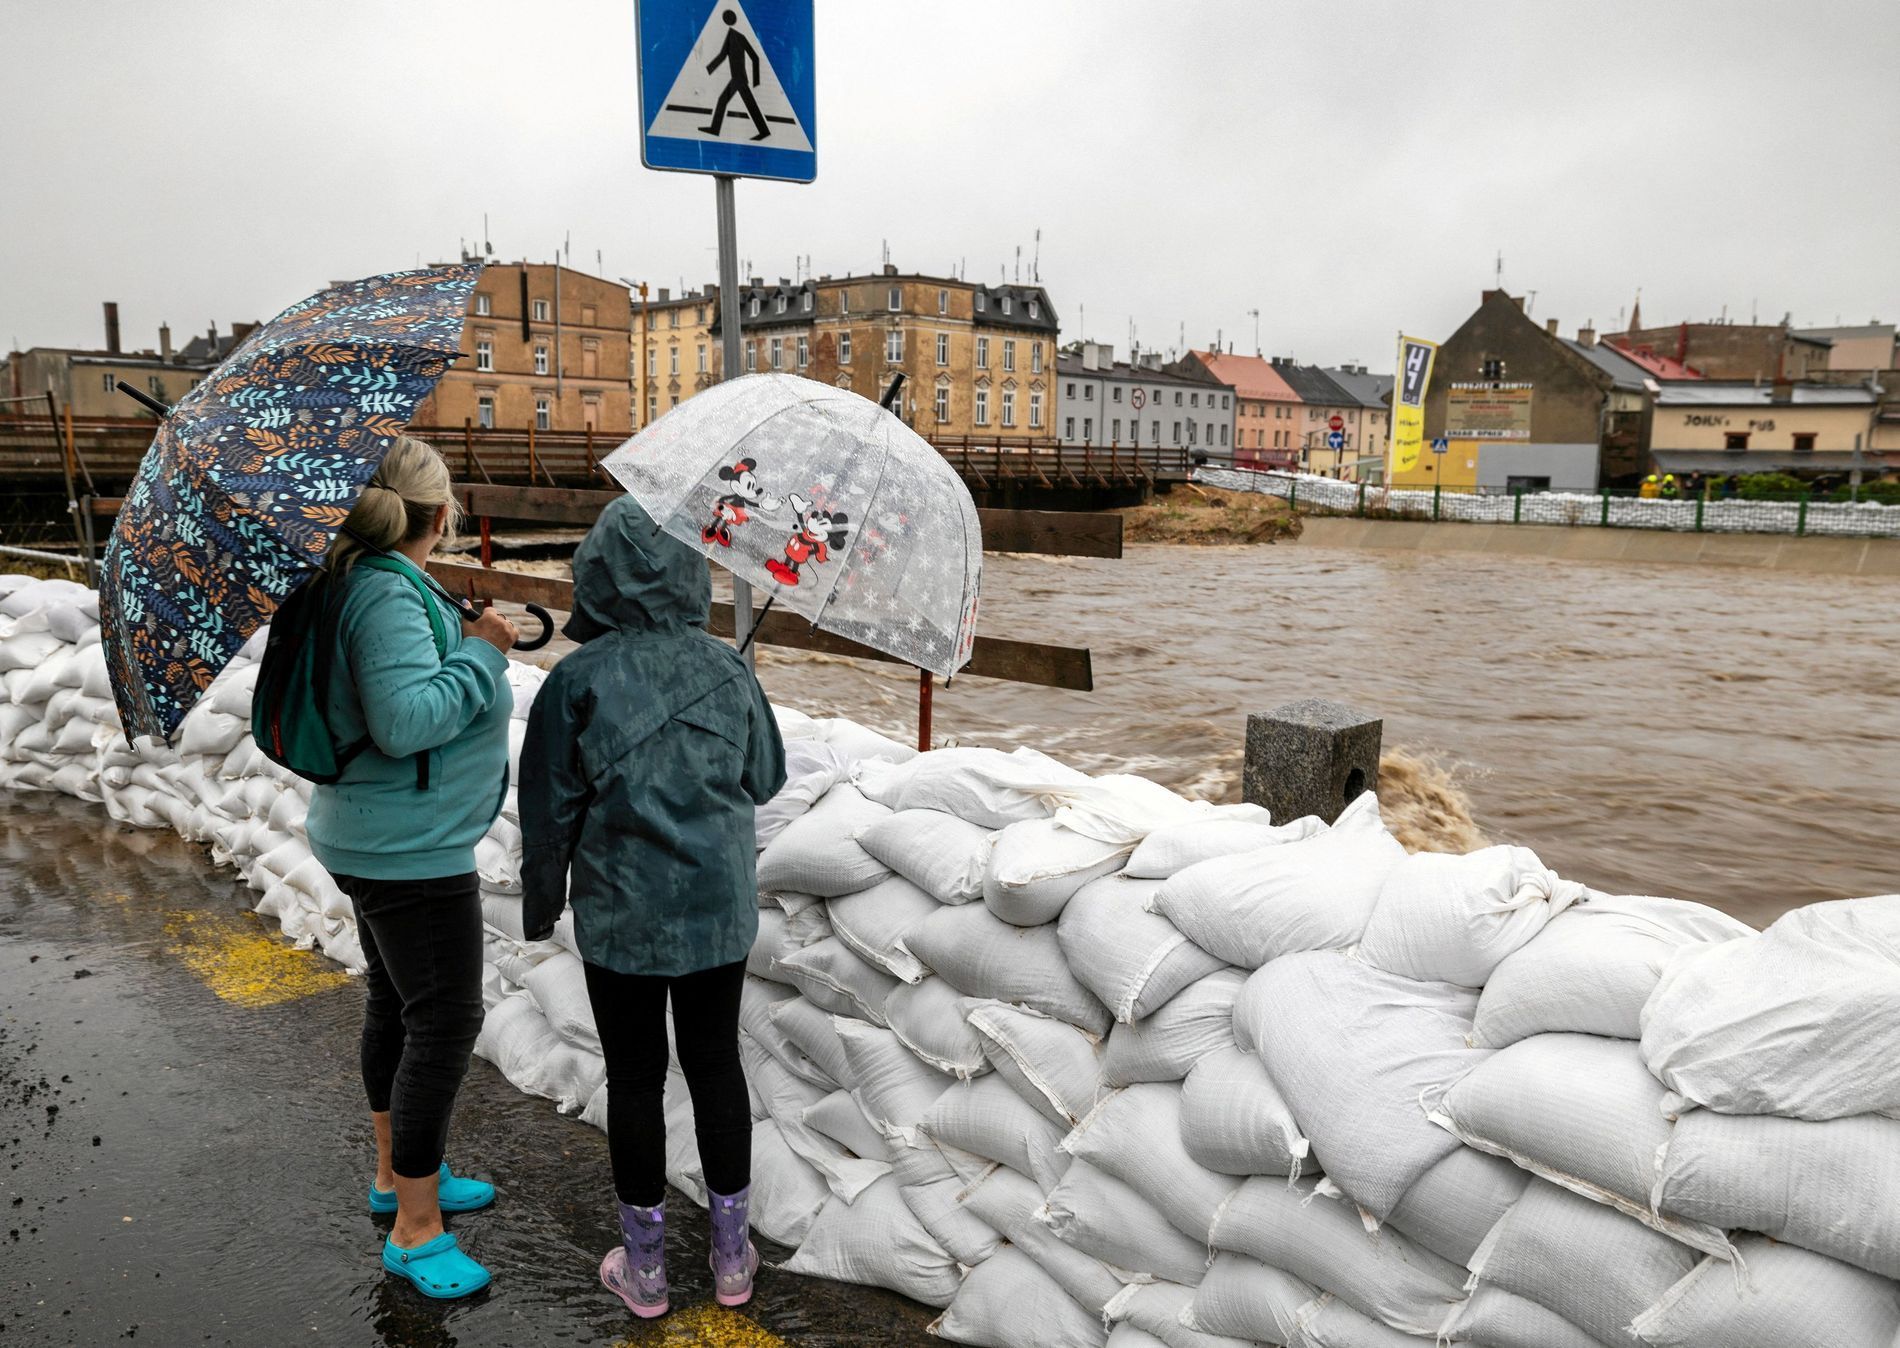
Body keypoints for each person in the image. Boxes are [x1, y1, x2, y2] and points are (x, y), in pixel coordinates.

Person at [520, 498, 786, 1320]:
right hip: (717, 913)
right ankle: (732, 1259)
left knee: (634, 1078)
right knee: (715, 1068)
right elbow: (764, 779)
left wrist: (542, 905)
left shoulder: (575, 681)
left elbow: (548, 810)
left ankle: (645, 1272)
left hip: (621, 915)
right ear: (685, 575)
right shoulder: (729, 668)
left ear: (595, 578)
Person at [304, 435, 518, 1300]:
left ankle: (398, 1178)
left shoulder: (362, 577)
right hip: (408, 850)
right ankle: (417, 1231)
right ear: (438, 514)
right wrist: (483, 654)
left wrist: (459, 634)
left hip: (376, 833)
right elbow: (402, 721)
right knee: (444, 1023)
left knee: (397, 1003)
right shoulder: (384, 592)